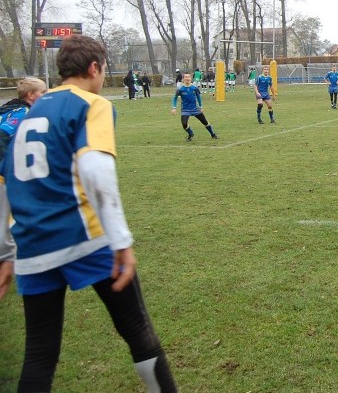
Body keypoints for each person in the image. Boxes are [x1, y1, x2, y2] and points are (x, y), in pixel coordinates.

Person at [0, 34, 177, 392]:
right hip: (84, 236)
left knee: (39, 353)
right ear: (94, 68)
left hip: (31, 245)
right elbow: (97, 170)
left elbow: (6, 182)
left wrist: (5, 252)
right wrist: (121, 240)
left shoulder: (30, 113)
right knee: (136, 330)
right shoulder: (90, 104)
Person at [0, 77, 47, 163]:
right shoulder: (23, 112)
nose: (46, 95)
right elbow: (2, 134)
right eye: (43, 92)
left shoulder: (9, 108)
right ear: (31, 95)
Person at [171, 73, 219, 141]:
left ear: (191, 78)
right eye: (186, 77)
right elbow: (175, 98)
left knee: (205, 122)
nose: (187, 78)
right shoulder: (180, 89)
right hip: (185, 109)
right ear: (183, 79)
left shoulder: (194, 87)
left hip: (195, 108)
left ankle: (213, 134)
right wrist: (174, 108)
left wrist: (200, 106)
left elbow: (198, 97)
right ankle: (190, 134)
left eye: (188, 77)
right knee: (184, 124)